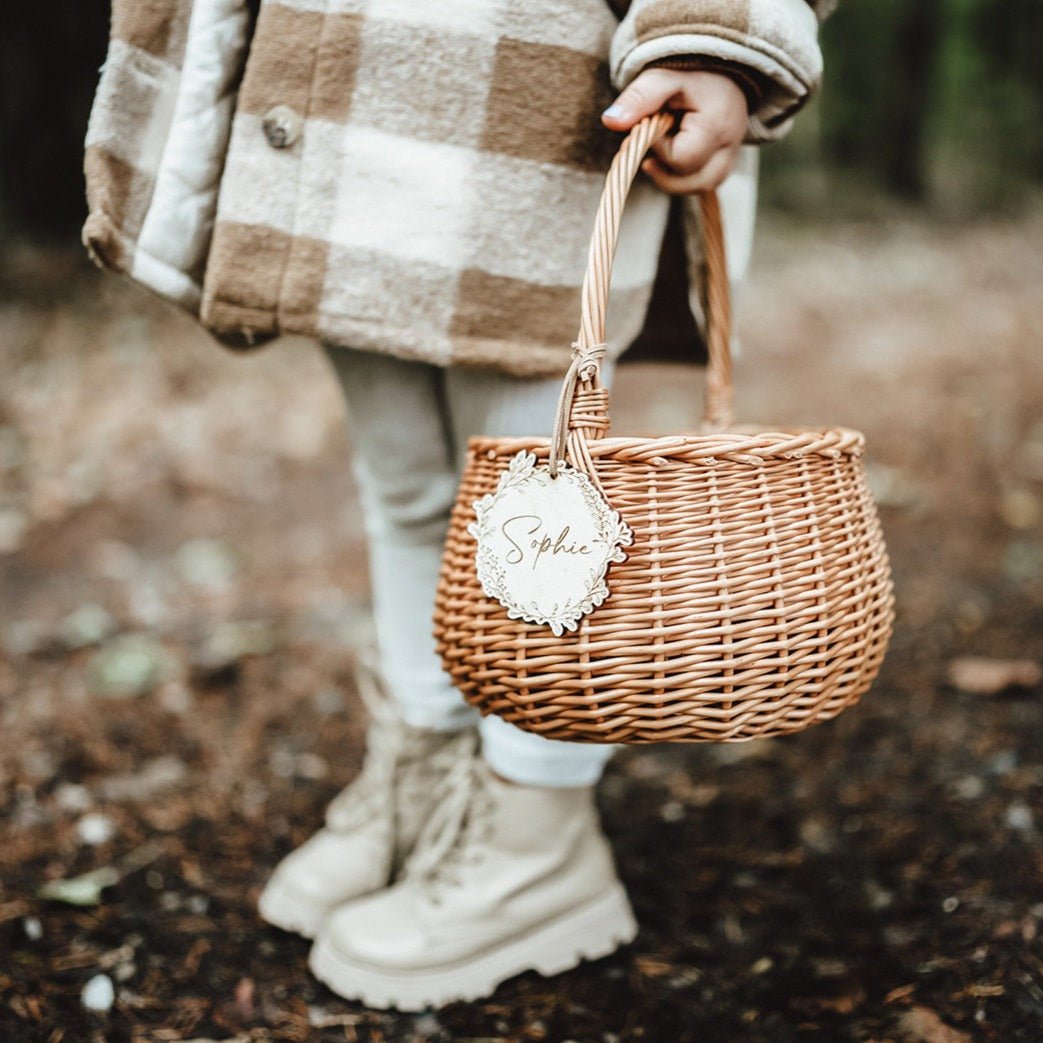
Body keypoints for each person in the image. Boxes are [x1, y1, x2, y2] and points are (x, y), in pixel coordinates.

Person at [83, 0, 832, 1010]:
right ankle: (427, 778)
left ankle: (536, 834)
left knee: (543, 523)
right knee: (405, 486)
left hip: (537, 81)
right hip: (337, 77)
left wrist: (709, 29)